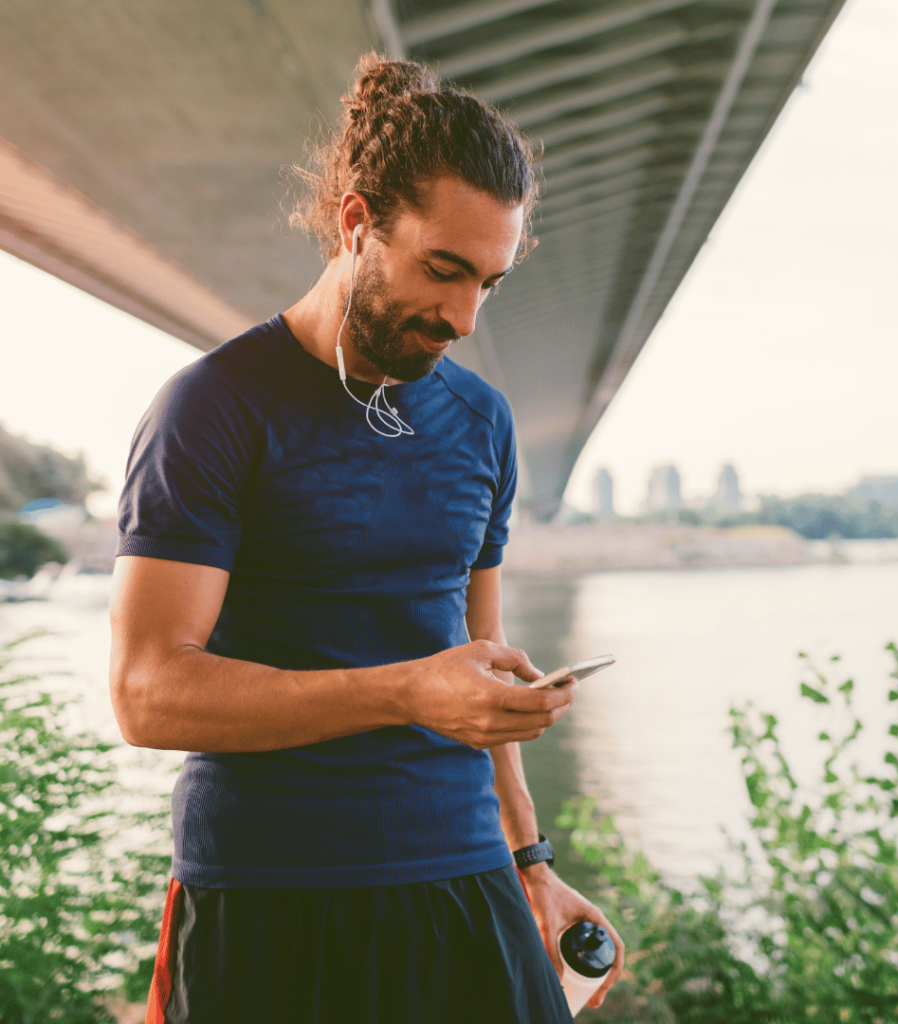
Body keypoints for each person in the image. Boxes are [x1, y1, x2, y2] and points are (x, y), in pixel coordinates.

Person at [109, 53, 625, 1023]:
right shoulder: (211, 411)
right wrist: (404, 689)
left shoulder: (483, 421)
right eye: (441, 269)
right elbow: (147, 694)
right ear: (356, 222)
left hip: (465, 874)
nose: (463, 317)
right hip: (268, 891)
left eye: (489, 282)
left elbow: (485, 675)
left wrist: (532, 865)